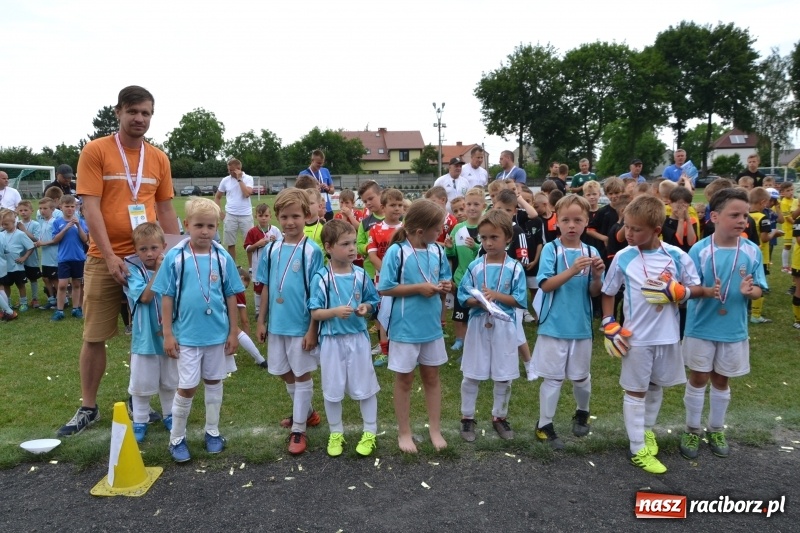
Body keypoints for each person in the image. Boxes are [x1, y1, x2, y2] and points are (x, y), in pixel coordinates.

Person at [58, 85, 178, 438]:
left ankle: (139, 400)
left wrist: (172, 256)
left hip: (150, 259)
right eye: (133, 112)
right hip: (104, 258)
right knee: (95, 335)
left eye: (146, 113)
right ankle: (88, 406)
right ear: (119, 112)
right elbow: (90, 206)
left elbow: (167, 209)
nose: (139, 119)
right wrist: (109, 255)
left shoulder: (158, 158)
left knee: (152, 330)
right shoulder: (96, 151)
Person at [601, 194, 707, 474]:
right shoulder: (623, 257)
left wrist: (679, 292)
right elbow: (608, 292)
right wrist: (609, 322)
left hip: (668, 336)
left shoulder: (676, 256)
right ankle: (637, 448)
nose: (628, 233)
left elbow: (695, 288)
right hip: (636, 338)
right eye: (626, 226)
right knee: (635, 391)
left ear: (656, 231)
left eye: (636, 229)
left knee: (656, 386)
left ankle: (646, 431)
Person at [152, 198, 242, 462]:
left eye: (211, 226)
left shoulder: (222, 257)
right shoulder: (175, 257)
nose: (205, 231)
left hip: (217, 335)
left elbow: (231, 296)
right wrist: (168, 334)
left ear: (217, 227)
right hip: (188, 336)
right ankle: (176, 438)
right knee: (188, 386)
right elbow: (166, 297)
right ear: (187, 224)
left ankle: (212, 431)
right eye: (199, 225)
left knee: (214, 381)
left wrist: (233, 331)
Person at [679, 188, 766, 461]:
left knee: (721, 379)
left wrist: (751, 292)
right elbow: (686, 287)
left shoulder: (751, 250)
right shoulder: (700, 250)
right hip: (701, 326)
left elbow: (760, 287)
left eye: (745, 215)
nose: (742, 220)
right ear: (715, 216)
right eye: (735, 215)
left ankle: (716, 428)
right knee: (699, 376)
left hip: (733, 329)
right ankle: (692, 428)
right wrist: (704, 289)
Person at [377, 199, 452, 453]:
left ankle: (434, 429)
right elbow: (385, 288)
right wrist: (419, 288)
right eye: (438, 228)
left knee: (432, 378)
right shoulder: (397, 252)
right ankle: (404, 432)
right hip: (405, 329)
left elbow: (445, 278)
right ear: (421, 231)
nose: (441, 232)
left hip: (431, 327)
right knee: (405, 380)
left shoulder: (438, 250)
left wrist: (445, 286)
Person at [256, 189, 324, 455]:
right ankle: (307, 413)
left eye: (295, 216)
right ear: (277, 218)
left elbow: (317, 294)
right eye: (284, 217)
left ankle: (299, 429)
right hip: (277, 325)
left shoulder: (312, 250)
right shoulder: (271, 249)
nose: (290, 222)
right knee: (282, 371)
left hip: (301, 325)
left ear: (306, 215)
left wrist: (312, 328)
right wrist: (261, 321)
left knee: (301, 373)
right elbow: (266, 289)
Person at [533, 196, 605, 449]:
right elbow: (546, 285)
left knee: (581, 377)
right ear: (557, 221)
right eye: (566, 220)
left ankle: (582, 412)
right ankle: (544, 424)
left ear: (587, 222)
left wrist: (596, 276)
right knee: (553, 378)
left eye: (577, 220)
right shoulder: (552, 249)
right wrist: (572, 270)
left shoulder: (591, 251)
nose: (571, 225)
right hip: (554, 325)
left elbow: (595, 292)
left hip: (581, 326)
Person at [309, 220, 381, 457]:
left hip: (358, 339)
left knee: (366, 386)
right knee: (332, 388)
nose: (352, 249)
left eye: (353, 243)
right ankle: (335, 433)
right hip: (331, 341)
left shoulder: (360, 274)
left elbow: (374, 301)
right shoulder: (322, 277)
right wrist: (334, 312)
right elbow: (315, 312)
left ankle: (369, 432)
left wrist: (366, 308)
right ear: (328, 247)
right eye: (345, 244)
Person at [458, 210, 526, 441]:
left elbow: (519, 299)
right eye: (484, 238)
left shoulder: (515, 268)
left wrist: (496, 296)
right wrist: (479, 301)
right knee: (471, 374)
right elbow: (462, 296)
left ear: (508, 237)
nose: (488, 242)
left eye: (493, 237)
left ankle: (500, 416)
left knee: (503, 375)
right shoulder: (475, 266)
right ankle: (467, 418)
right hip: (478, 326)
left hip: (505, 327)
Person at [123, 223, 178, 443]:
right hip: (145, 339)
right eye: (143, 249)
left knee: (170, 380)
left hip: (170, 335)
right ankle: (140, 420)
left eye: (154, 248)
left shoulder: (173, 265)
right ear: (136, 250)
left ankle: (170, 415)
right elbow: (145, 297)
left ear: (163, 246)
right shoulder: (133, 271)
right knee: (141, 383)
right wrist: (160, 272)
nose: (149, 253)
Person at [367, 188, 404, 365]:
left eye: (400, 205)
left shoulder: (406, 229)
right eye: (392, 205)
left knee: (401, 313)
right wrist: (387, 272)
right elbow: (372, 255)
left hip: (404, 280)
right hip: (382, 279)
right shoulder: (375, 230)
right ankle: (384, 350)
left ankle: (401, 347)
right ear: (383, 207)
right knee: (382, 314)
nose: (397, 209)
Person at [445, 188, 485, 352]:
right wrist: (448, 248)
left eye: (476, 204)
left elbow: (486, 252)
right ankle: (460, 338)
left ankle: (477, 339)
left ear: (484, 206)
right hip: (461, 277)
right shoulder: (457, 228)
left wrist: (476, 247)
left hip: (481, 279)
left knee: (477, 312)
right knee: (459, 312)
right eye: (468, 204)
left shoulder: (486, 227)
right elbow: (452, 253)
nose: (471, 207)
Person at [46, 195, 88, 321]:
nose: (70, 209)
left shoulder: (80, 222)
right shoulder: (57, 222)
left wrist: (78, 226)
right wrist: (66, 228)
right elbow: (55, 240)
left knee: (76, 283)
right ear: (61, 207)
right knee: (62, 285)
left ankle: (76, 308)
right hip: (64, 258)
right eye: (67, 206)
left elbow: (85, 239)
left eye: (72, 207)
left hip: (78, 258)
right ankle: (60, 310)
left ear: (76, 208)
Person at [747, 187, 781, 324]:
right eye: (767, 202)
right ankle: (756, 315)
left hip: (747, 255)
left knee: (748, 281)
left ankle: (748, 308)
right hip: (761, 255)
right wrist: (775, 233)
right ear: (762, 202)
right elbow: (765, 238)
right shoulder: (763, 218)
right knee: (759, 284)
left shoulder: (747, 215)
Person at [244, 203, 281, 315]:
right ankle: (258, 311)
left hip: (272, 265)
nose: (263, 218)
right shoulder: (252, 232)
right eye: (260, 216)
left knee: (272, 287)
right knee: (258, 289)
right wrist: (257, 244)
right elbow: (247, 248)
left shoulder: (275, 230)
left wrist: (276, 241)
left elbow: (282, 245)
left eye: (266, 215)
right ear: (256, 217)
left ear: (270, 216)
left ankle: (271, 309)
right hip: (258, 265)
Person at [214, 158, 253, 260]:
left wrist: (239, 179)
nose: (229, 172)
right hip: (230, 215)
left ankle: (251, 269)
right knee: (230, 244)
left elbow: (247, 194)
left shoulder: (248, 178)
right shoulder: (225, 180)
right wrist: (220, 213)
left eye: (231, 170)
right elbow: (217, 197)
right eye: (228, 170)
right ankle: (233, 268)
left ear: (239, 169)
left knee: (249, 244)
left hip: (246, 216)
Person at [233, 268, 268, 369]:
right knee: (234, 328)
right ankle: (260, 359)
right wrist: (247, 338)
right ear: (241, 278)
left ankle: (260, 359)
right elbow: (245, 320)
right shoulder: (237, 289)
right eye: (245, 286)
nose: (244, 290)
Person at [1, 209, 35, 309]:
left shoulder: (20, 234)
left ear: (14, 222)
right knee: (6, 285)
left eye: (6, 224)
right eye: (2, 224)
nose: (4, 226)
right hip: (5, 267)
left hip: (17, 266)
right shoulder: (2, 234)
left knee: (20, 284)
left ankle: (23, 303)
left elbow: (31, 246)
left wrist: (24, 257)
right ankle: (8, 303)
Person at [356, 180, 385, 282]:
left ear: (380, 195)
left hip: (394, 269)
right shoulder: (364, 223)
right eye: (364, 201)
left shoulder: (397, 219)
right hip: (371, 273)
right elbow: (359, 246)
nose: (368, 203)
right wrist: (370, 246)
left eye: (371, 199)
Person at [15, 201, 42, 309]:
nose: (23, 212)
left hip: (32, 257)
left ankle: (35, 299)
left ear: (31, 211)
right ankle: (23, 299)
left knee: (33, 278)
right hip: (20, 256)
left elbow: (36, 240)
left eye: (25, 210)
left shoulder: (35, 224)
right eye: (20, 210)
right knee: (20, 279)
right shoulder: (16, 224)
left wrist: (24, 230)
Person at [35, 198, 59, 310]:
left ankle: (62, 300)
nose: (42, 211)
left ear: (52, 209)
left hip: (53, 255)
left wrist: (43, 243)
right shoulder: (43, 222)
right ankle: (52, 299)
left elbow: (56, 240)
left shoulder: (55, 222)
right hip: (45, 256)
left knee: (54, 279)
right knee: (45, 278)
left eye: (45, 208)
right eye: (40, 208)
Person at [298, 149, 335, 221]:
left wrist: (327, 188)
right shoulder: (303, 174)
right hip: (312, 210)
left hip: (326, 209)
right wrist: (314, 190)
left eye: (322, 163)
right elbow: (300, 194)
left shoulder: (325, 171)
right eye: (318, 163)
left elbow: (332, 191)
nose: (320, 165)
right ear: (312, 160)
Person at [778, 182, 795, 273]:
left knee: (796, 247)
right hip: (788, 229)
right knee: (787, 246)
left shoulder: (795, 200)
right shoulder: (784, 202)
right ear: (783, 193)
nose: (790, 192)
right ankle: (785, 266)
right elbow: (788, 218)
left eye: (791, 189)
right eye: (788, 190)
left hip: (796, 227)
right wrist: (796, 224)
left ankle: (794, 265)